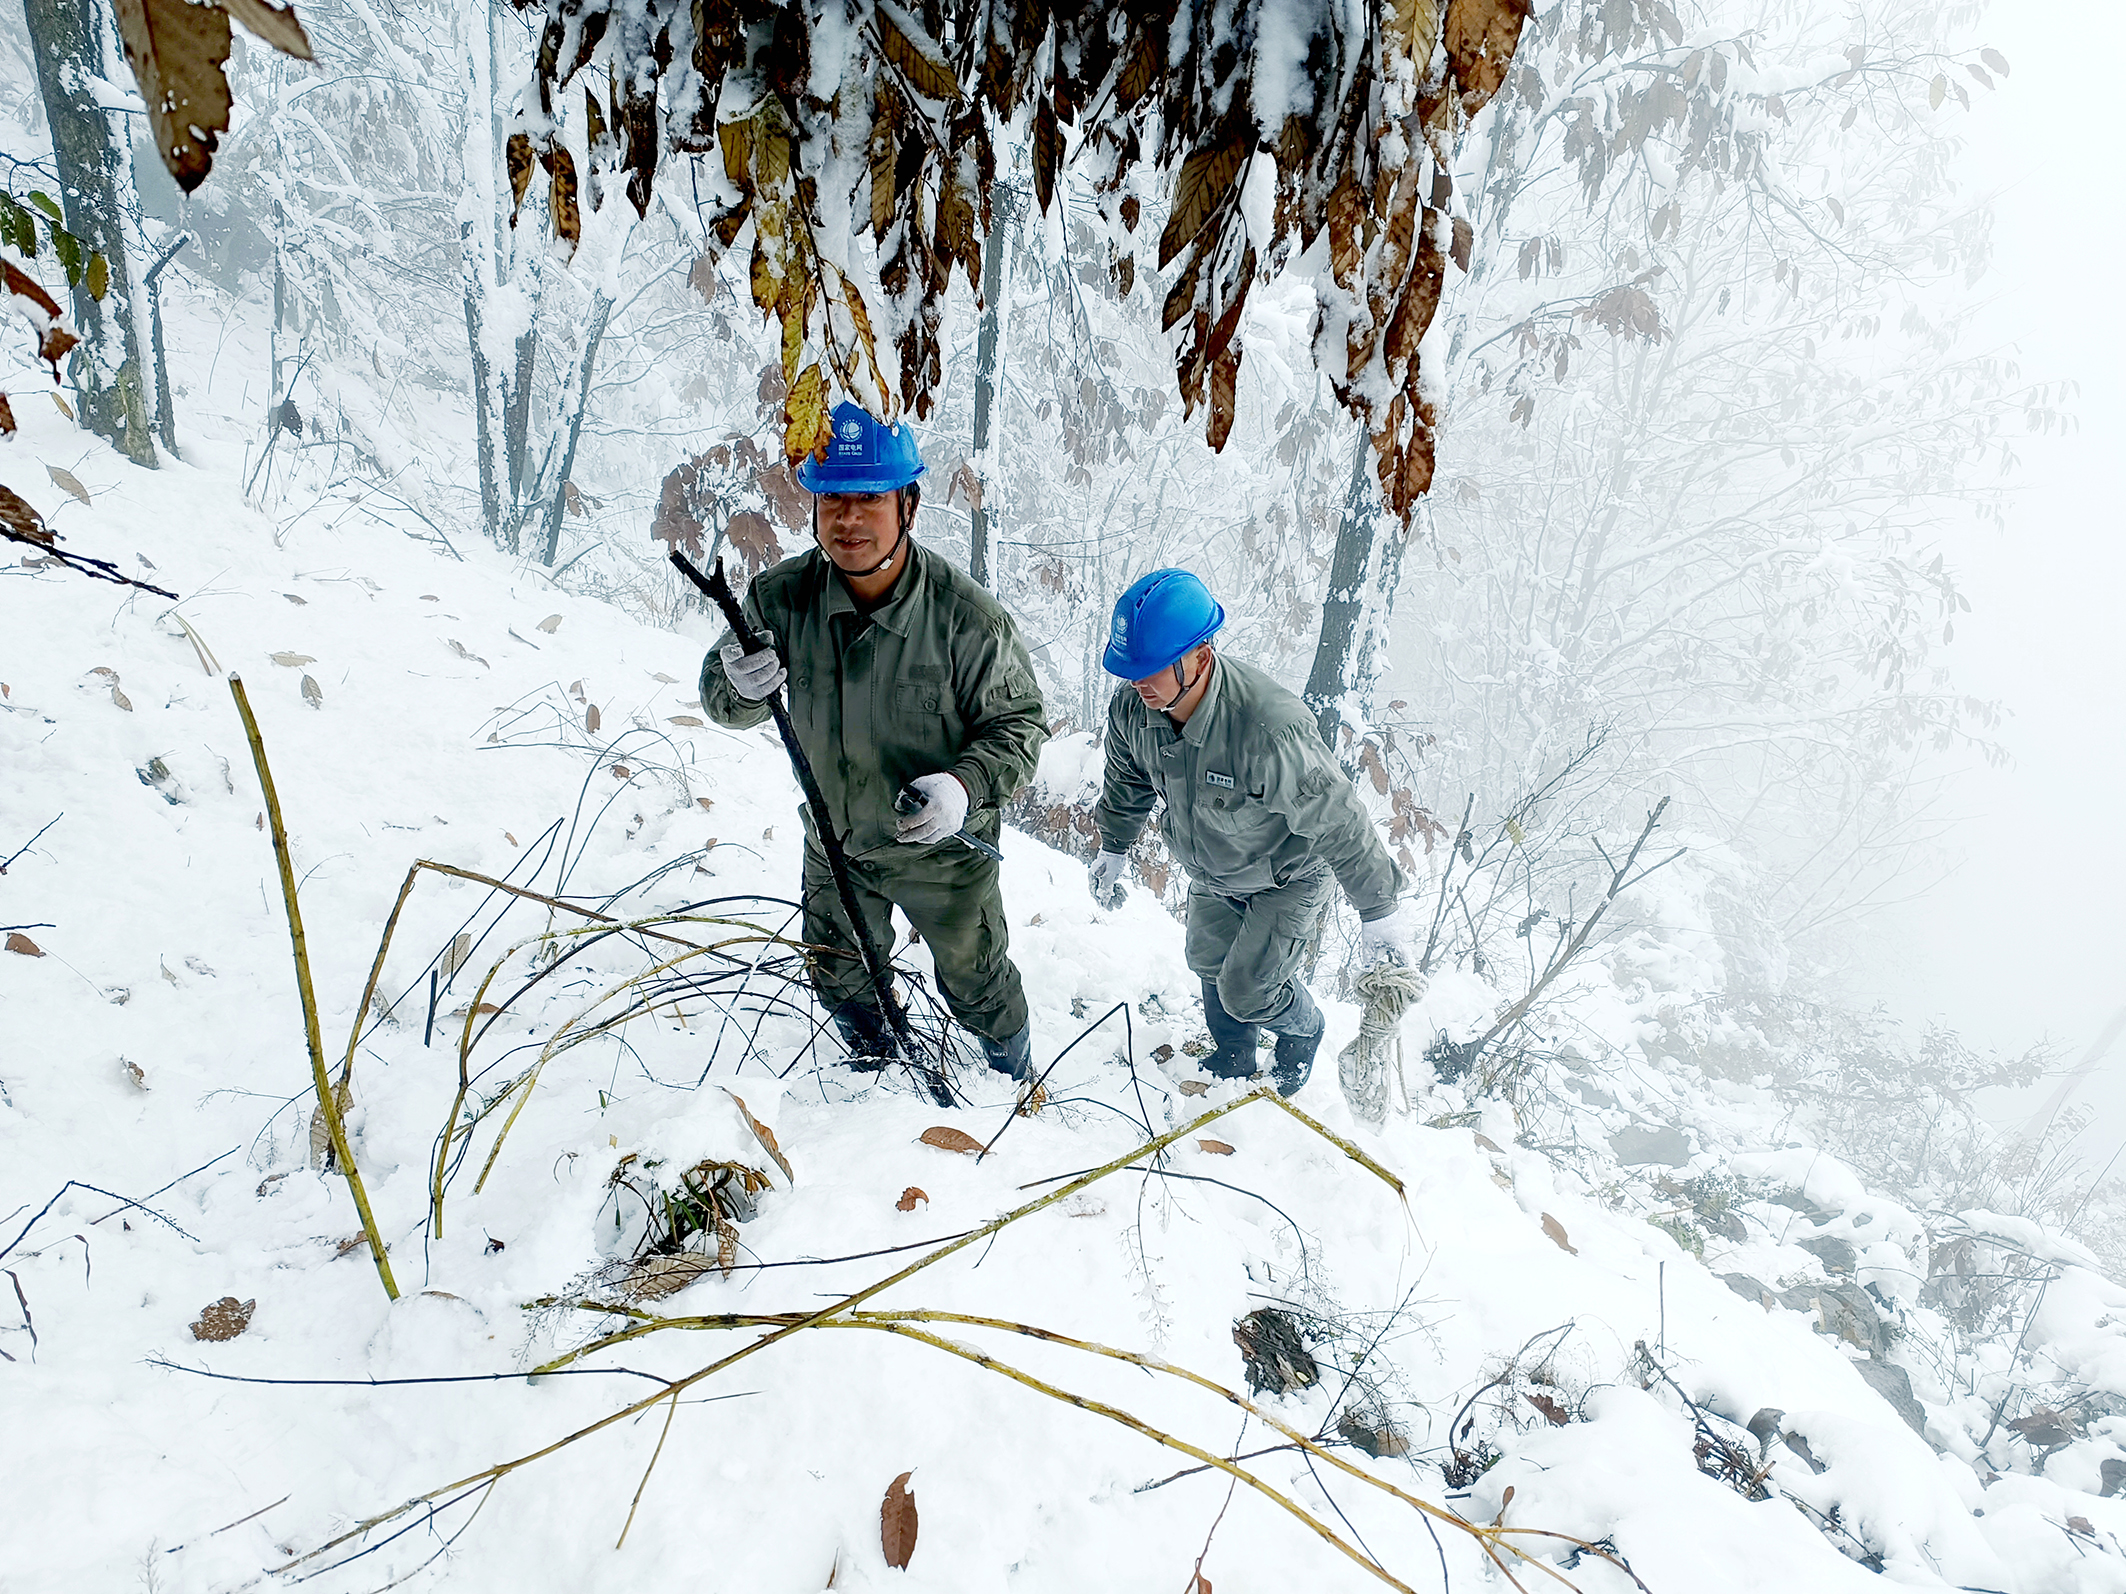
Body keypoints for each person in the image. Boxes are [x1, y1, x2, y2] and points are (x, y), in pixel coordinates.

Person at [702, 402, 1047, 1082]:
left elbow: (1022, 725)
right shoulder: (783, 598)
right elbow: (721, 694)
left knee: (976, 985)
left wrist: (963, 786)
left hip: (941, 852)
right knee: (839, 976)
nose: (848, 520)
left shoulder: (965, 619)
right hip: (835, 844)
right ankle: (878, 1070)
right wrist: (739, 686)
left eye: (869, 499)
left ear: (908, 506)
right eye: (832, 499)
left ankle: (1015, 1079)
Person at [1089, 570, 1406, 1096]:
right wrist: (1115, 847)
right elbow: (1126, 780)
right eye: (1130, 670)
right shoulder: (1134, 710)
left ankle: (1304, 1031)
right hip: (1215, 868)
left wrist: (1379, 912)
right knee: (1208, 963)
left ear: (1201, 658)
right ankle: (1235, 1055)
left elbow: (1337, 816)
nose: (1138, 682)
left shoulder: (1267, 728)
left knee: (1249, 990)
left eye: (1151, 669)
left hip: (1290, 875)